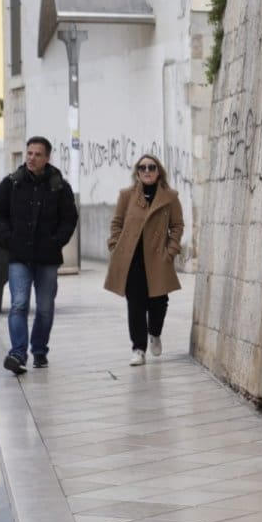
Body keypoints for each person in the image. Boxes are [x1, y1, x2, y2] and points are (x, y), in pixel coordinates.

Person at [0, 137, 79, 374]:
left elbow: (69, 218)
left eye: (37, 154)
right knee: (18, 304)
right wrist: (7, 239)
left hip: (47, 257)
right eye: (29, 153)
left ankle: (39, 349)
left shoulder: (59, 186)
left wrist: (57, 241)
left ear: (47, 158)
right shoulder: (12, 183)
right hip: (19, 255)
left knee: (45, 307)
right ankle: (18, 354)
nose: (31, 158)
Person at [103, 154, 184, 366]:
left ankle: (154, 333)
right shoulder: (127, 196)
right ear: (137, 172)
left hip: (158, 258)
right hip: (132, 259)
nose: (147, 171)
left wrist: (171, 250)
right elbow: (117, 223)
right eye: (142, 168)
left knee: (159, 302)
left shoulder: (170, 197)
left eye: (151, 167)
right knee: (136, 305)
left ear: (159, 172)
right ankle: (138, 349)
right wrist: (115, 246)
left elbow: (177, 226)